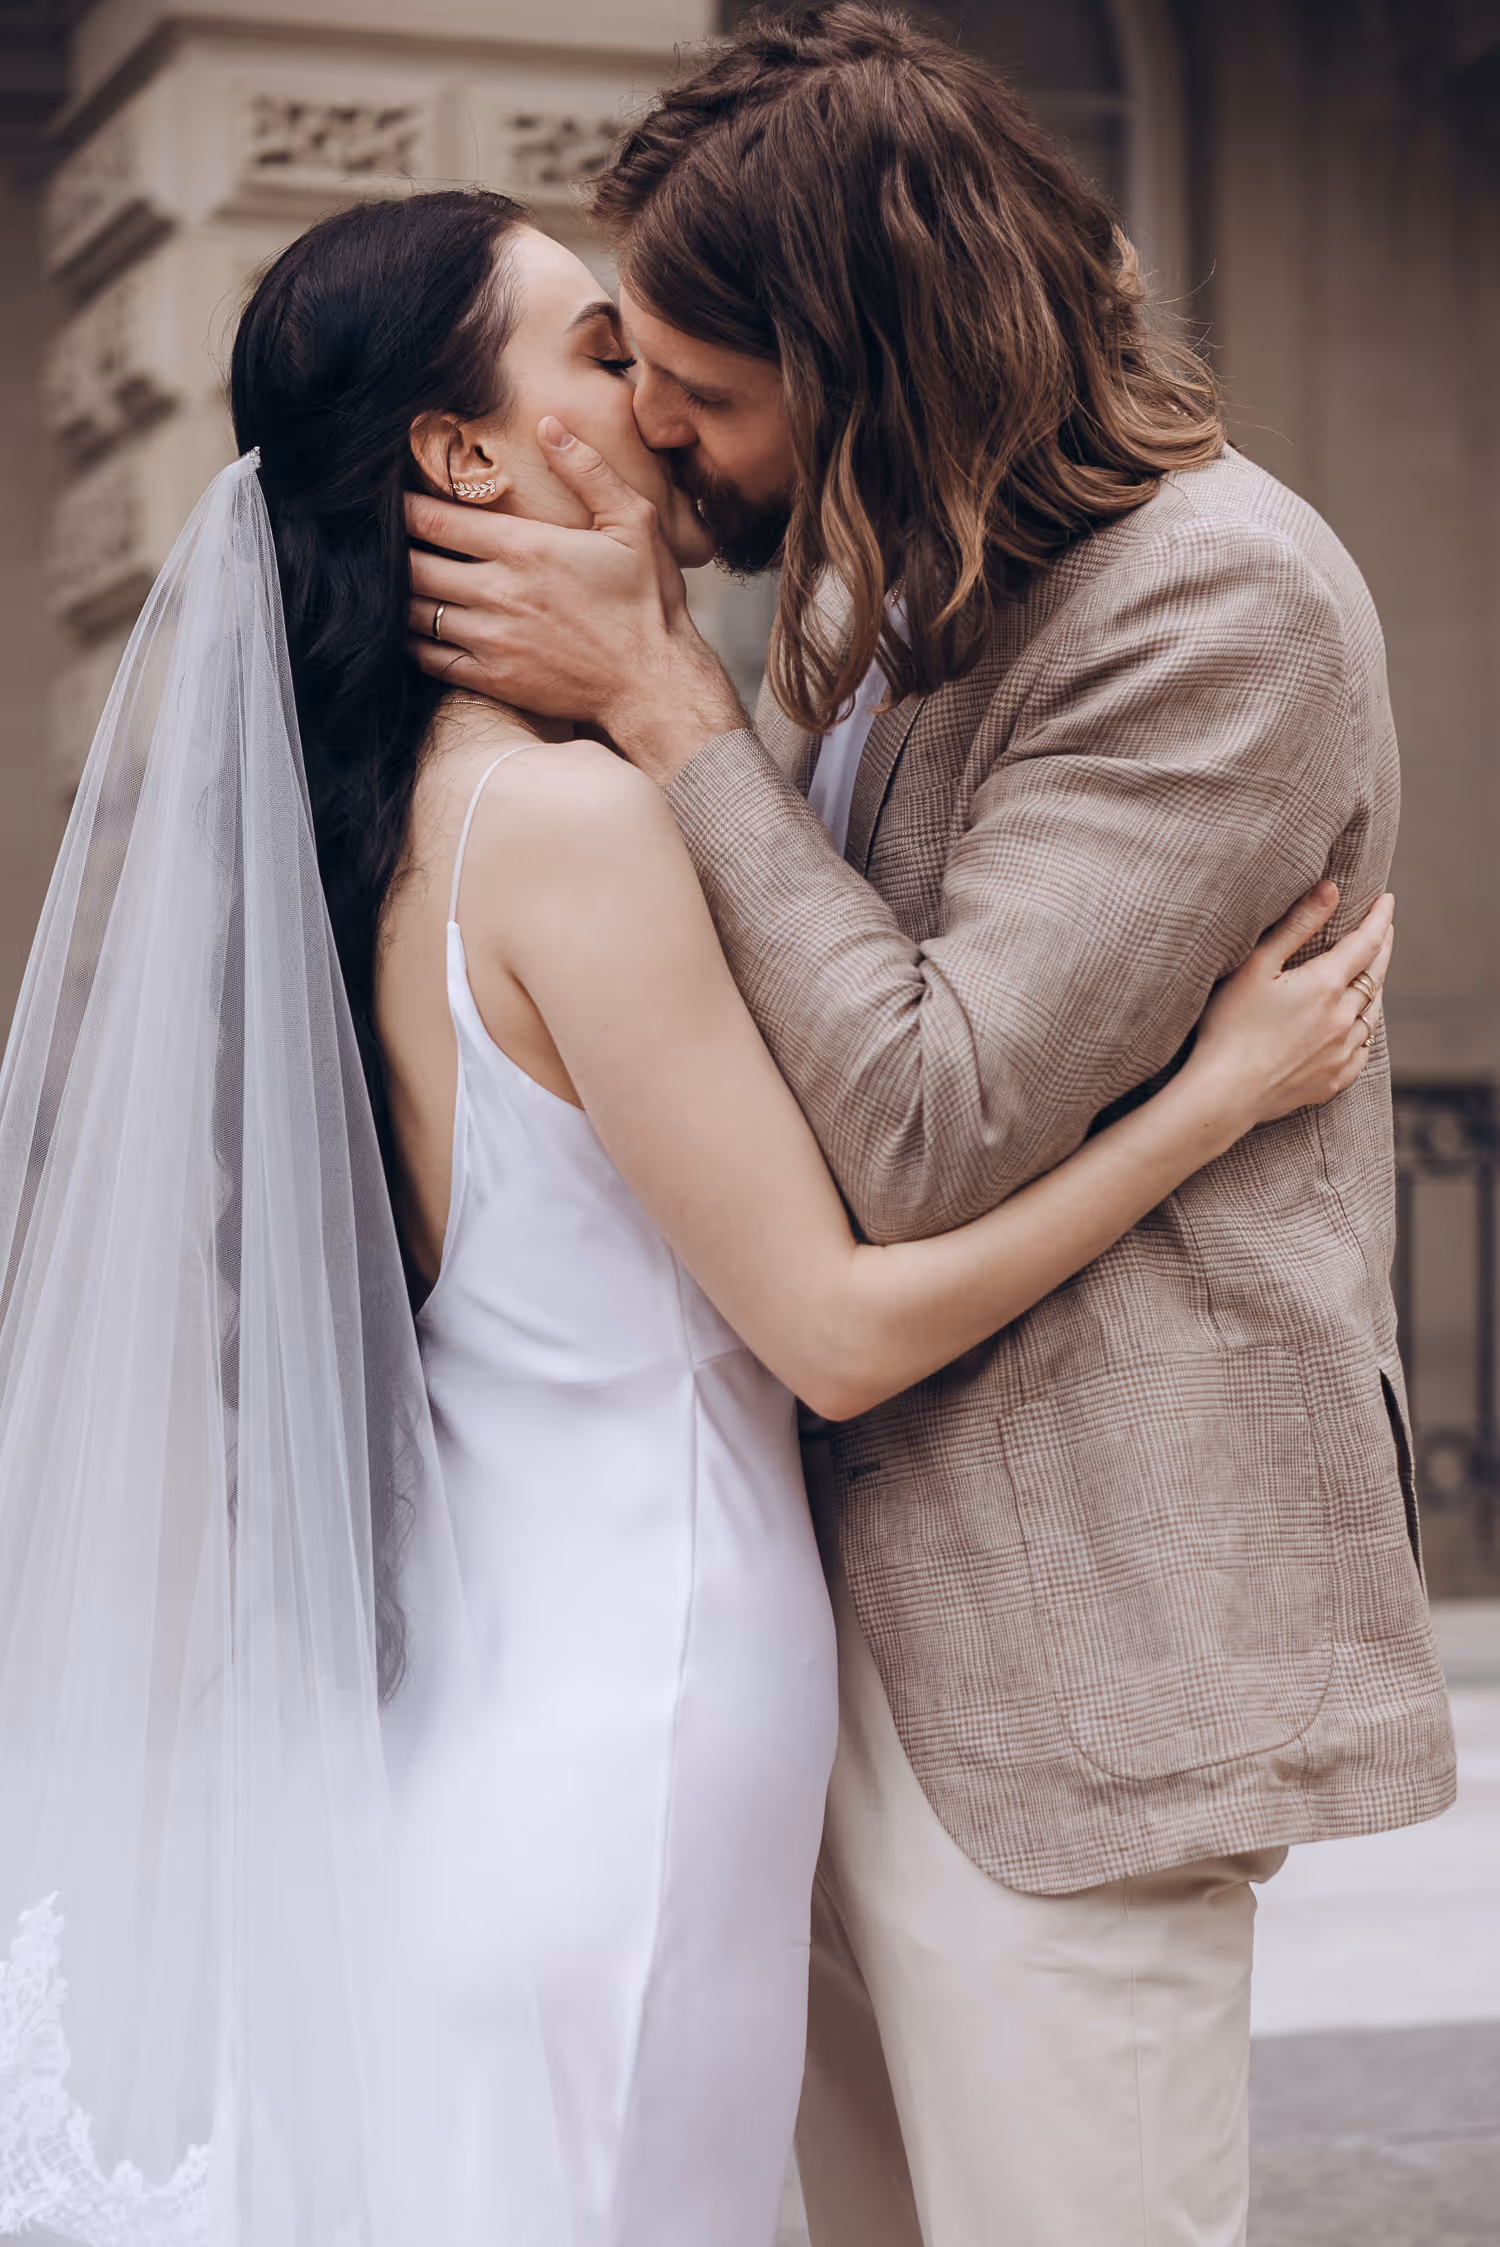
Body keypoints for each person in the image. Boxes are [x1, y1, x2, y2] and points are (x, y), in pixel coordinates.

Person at [0, 182, 1390, 2247]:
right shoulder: (568, 822)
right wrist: (1208, 1105)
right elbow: (830, 1320)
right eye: (591, 347)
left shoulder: (419, 807)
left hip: (507, 1713)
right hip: (631, 1730)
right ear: (461, 459)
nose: (647, 396)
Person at [402, 8, 1458, 2244]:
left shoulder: (1219, 600)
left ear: (878, 356)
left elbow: (919, 1119)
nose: (667, 442)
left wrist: (671, 709)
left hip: (1069, 1675)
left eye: (700, 389)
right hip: (821, 1641)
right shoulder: (889, 581)